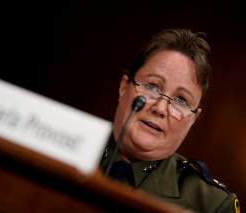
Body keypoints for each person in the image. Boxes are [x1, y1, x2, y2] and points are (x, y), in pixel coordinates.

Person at [100, 28, 240, 213]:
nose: (159, 108)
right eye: (152, 86)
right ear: (124, 88)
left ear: (193, 119)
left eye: (181, 100)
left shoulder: (210, 205)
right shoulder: (64, 141)